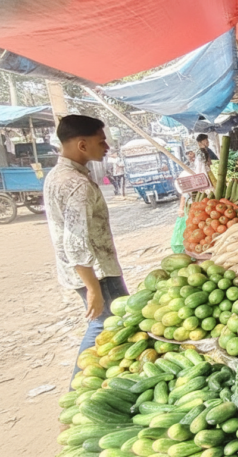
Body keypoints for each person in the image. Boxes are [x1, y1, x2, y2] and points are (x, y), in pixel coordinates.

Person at [43, 115, 127, 381]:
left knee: (110, 325)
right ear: (82, 145)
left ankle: (103, 382)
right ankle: (78, 388)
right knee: (107, 324)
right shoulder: (76, 184)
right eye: (101, 142)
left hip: (83, 270)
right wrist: (92, 288)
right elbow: (75, 241)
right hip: (97, 273)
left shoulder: (57, 175)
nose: (106, 148)